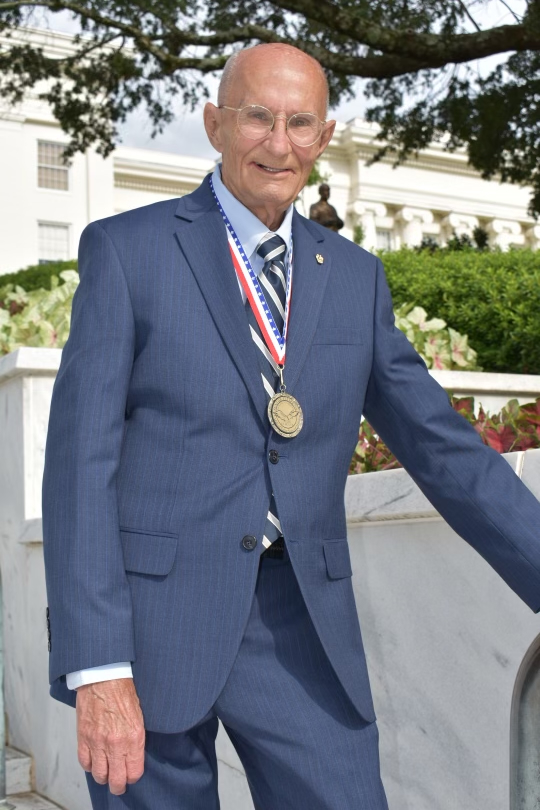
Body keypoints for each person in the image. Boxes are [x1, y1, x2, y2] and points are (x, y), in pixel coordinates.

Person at [42, 43, 540, 810]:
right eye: (258, 117)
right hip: (147, 627)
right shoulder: (128, 253)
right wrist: (98, 664)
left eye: (300, 122)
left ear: (324, 134)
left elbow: (444, 450)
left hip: (298, 620)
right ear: (215, 123)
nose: (279, 143)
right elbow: (79, 468)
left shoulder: (354, 278)